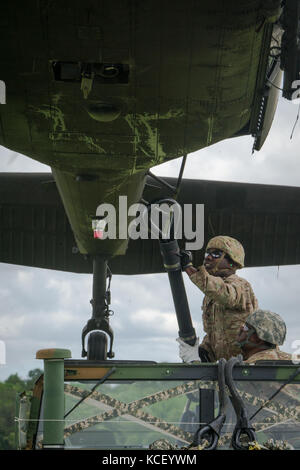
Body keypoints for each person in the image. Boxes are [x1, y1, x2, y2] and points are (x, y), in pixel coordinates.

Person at [177, 235, 258, 362]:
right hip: (224, 368)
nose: (208, 257)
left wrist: (189, 268)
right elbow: (214, 333)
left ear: (232, 261)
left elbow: (225, 294)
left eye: (216, 254)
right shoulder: (211, 296)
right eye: (207, 253)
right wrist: (202, 352)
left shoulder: (241, 286)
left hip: (246, 369)